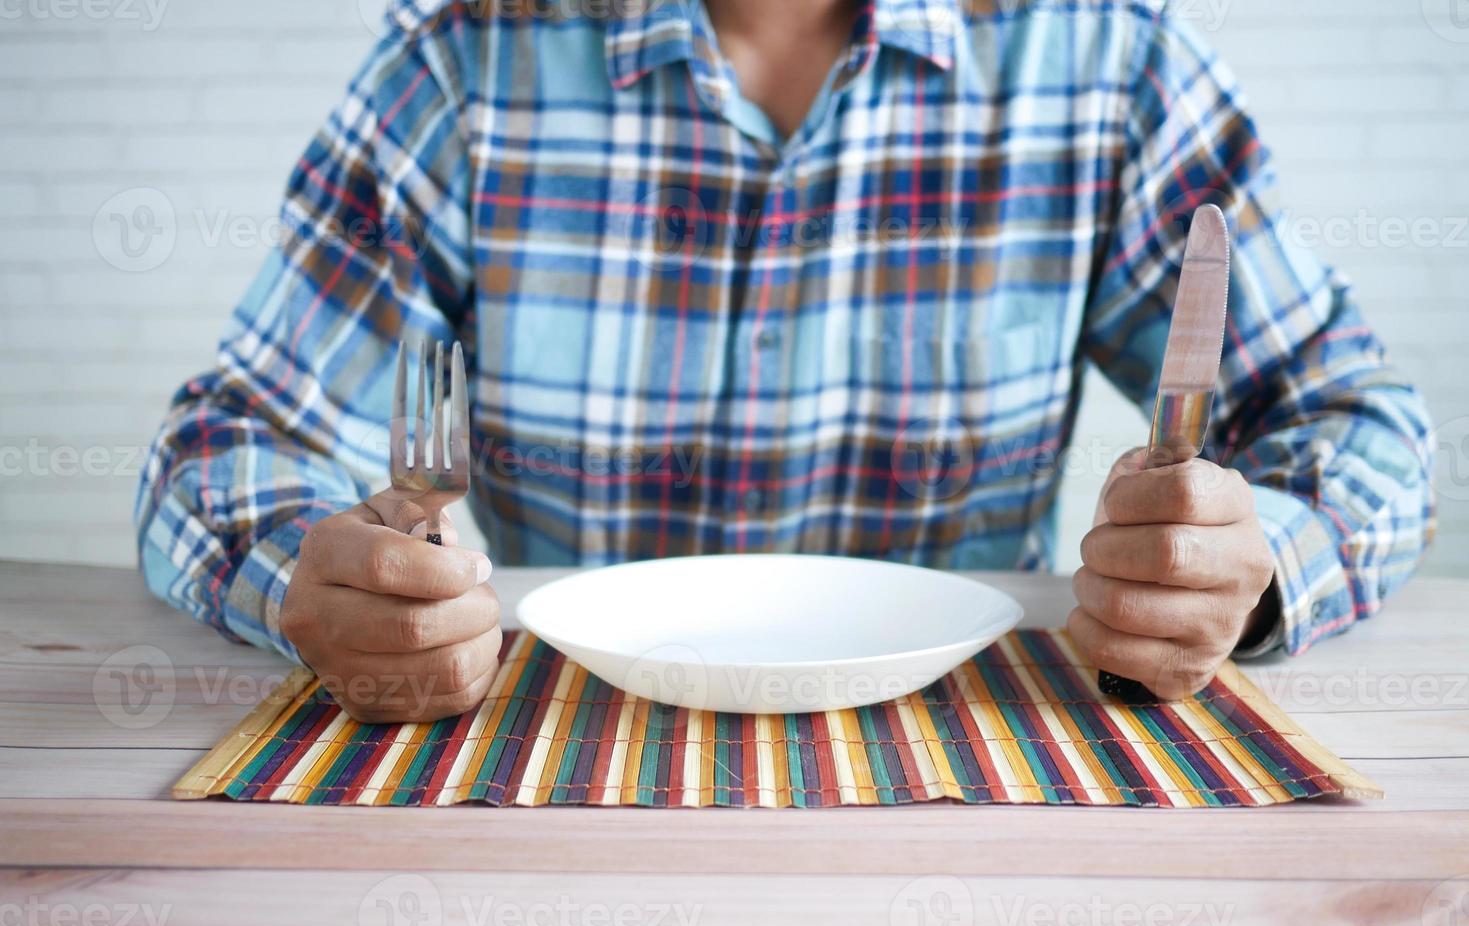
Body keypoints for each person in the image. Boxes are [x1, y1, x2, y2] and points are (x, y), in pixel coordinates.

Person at [136, 0, 1434, 722]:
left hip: (974, 774)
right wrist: (302, 577)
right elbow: (219, 450)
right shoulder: (462, 60)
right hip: (568, 758)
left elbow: (1356, 423)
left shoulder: (1109, 60)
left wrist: (1251, 561)